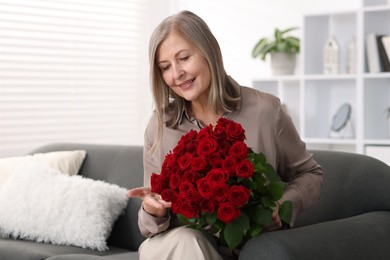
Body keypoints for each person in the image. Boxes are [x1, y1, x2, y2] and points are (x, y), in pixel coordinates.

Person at [128, 10, 323, 260]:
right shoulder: (159, 125)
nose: (176, 74)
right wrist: (152, 209)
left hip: (249, 246)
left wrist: (282, 206)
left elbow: (310, 175)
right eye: (165, 67)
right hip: (179, 248)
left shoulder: (266, 111)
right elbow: (148, 228)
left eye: (184, 58)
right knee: (188, 241)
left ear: (209, 50)